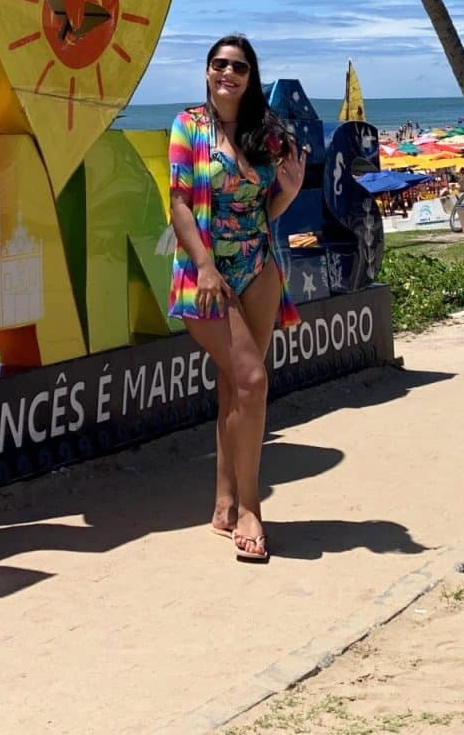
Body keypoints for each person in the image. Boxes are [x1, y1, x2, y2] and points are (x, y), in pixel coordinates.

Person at [165, 35, 307, 564]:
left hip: (260, 266)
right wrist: (203, 265)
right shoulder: (188, 127)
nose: (228, 73)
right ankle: (252, 509)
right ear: (206, 72)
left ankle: (225, 506)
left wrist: (289, 195)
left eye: (239, 66)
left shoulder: (267, 135)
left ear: (251, 76)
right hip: (207, 273)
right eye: (219, 64)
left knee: (235, 388)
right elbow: (180, 204)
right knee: (252, 380)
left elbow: (263, 209)